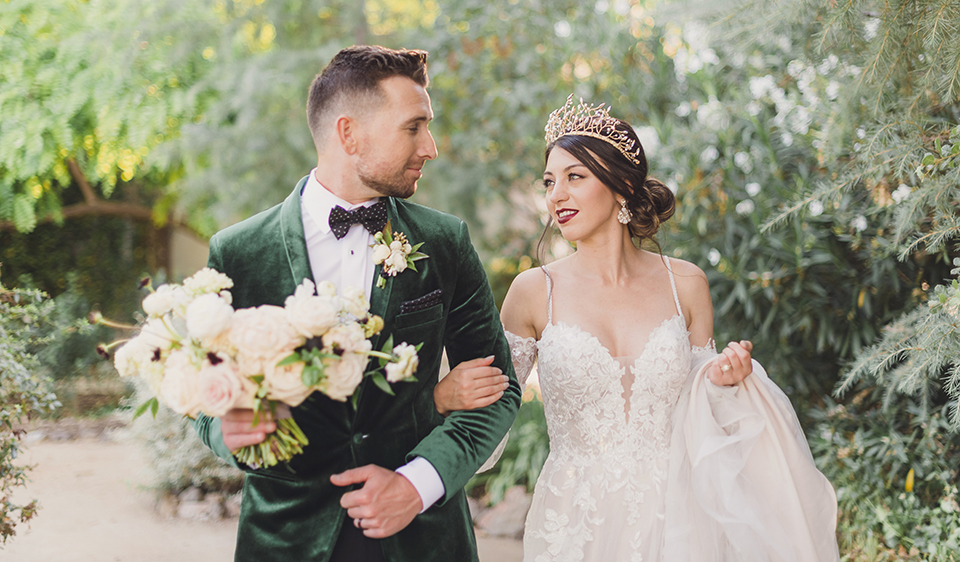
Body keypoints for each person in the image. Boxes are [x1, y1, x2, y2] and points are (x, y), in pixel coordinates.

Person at [435, 95, 841, 561]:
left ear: (622, 184)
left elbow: (699, 411)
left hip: (680, 515)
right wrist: (436, 415)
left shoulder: (686, 283)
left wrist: (722, 381)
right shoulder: (533, 291)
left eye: (574, 177)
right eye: (549, 181)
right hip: (574, 518)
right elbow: (491, 405)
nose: (555, 195)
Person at [192, 45, 521, 562]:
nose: (430, 147)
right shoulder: (238, 251)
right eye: (413, 127)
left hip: (423, 537)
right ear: (349, 133)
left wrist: (417, 485)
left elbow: (499, 391)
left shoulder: (445, 242)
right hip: (287, 538)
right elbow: (202, 397)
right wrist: (228, 429)